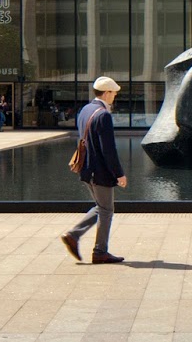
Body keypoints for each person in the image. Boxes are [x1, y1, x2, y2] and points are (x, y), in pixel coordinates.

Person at [60, 76, 128, 264]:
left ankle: (74, 235)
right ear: (106, 93)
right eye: (114, 93)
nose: (114, 96)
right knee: (106, 210)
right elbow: (109, 149)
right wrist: (119, 174)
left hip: (86, 169)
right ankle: (99, 251)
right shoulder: (103, 115)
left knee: (102, 207)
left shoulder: (86, 110)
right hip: (100, 172)